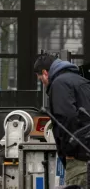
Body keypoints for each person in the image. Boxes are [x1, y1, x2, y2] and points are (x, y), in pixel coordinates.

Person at [34, 53, 90, 187]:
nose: (43, 83)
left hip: (79, 159)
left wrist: (69, 150)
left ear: (45, 72)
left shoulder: (59, 84)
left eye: (41, 79)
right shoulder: (81, 81)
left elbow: (66, 118)